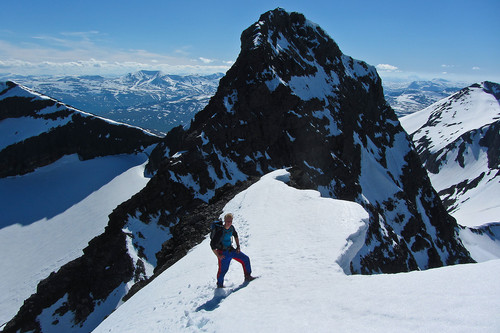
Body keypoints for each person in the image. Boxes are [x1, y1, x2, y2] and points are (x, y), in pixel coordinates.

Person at [210, 213, 255, 288]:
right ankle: (220, 286)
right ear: (224, 221)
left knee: (245, 259)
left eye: (230, 221)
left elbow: (235, 235)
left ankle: (248, 276)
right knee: (223, 270)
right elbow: (212, 245)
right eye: (228, 221)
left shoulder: (231, 228)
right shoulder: (220, 231)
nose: (229, 223)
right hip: (223, 253)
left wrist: (238, 246)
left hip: (231, 250)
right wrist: (218, 255)